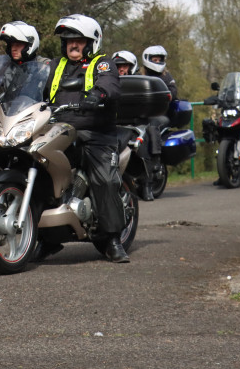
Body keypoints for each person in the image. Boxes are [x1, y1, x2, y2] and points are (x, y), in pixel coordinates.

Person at [46, 14, 128, 263]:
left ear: (91, 42)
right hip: (58, 129)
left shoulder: (103, 63)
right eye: (68, 39)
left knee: (103, 179)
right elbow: (35, 88)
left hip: (95, 132)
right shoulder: (54, 65)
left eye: (78, 40)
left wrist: (98, 94)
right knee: (37, 164)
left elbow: (111, 85)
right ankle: (45, 236)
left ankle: (113, 239)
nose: (72, 44)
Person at [141, 45, 177, 190]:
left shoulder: (166, 76)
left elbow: (173, 93)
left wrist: (164, 95)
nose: (157, 62)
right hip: (142, 115)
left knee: (152, 125)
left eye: (159, 59)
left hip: (161, 115)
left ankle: (155, 160)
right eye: (154, 59)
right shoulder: (140, 76)